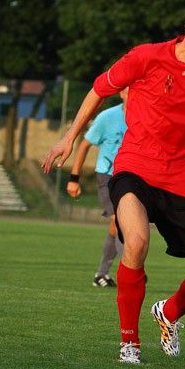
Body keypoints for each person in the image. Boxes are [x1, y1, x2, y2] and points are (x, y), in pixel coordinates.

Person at [42, 0, 185, 364]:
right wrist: (69, 137)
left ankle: (168, 312)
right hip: (136, 168)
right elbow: (99, 89)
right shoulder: (146, 57)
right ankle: (129, 344)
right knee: (136, 242)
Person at [66, 88, 129, 288]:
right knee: (119, 221)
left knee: (117, 225)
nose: (133, 94)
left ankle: (101, 274)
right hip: (107, 176)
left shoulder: (145, 117)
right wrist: (74, 178)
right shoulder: (107, 117)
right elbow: (84, 145)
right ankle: (130, 273)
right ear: (122, 93)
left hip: (130, 178)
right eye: (129, 91)